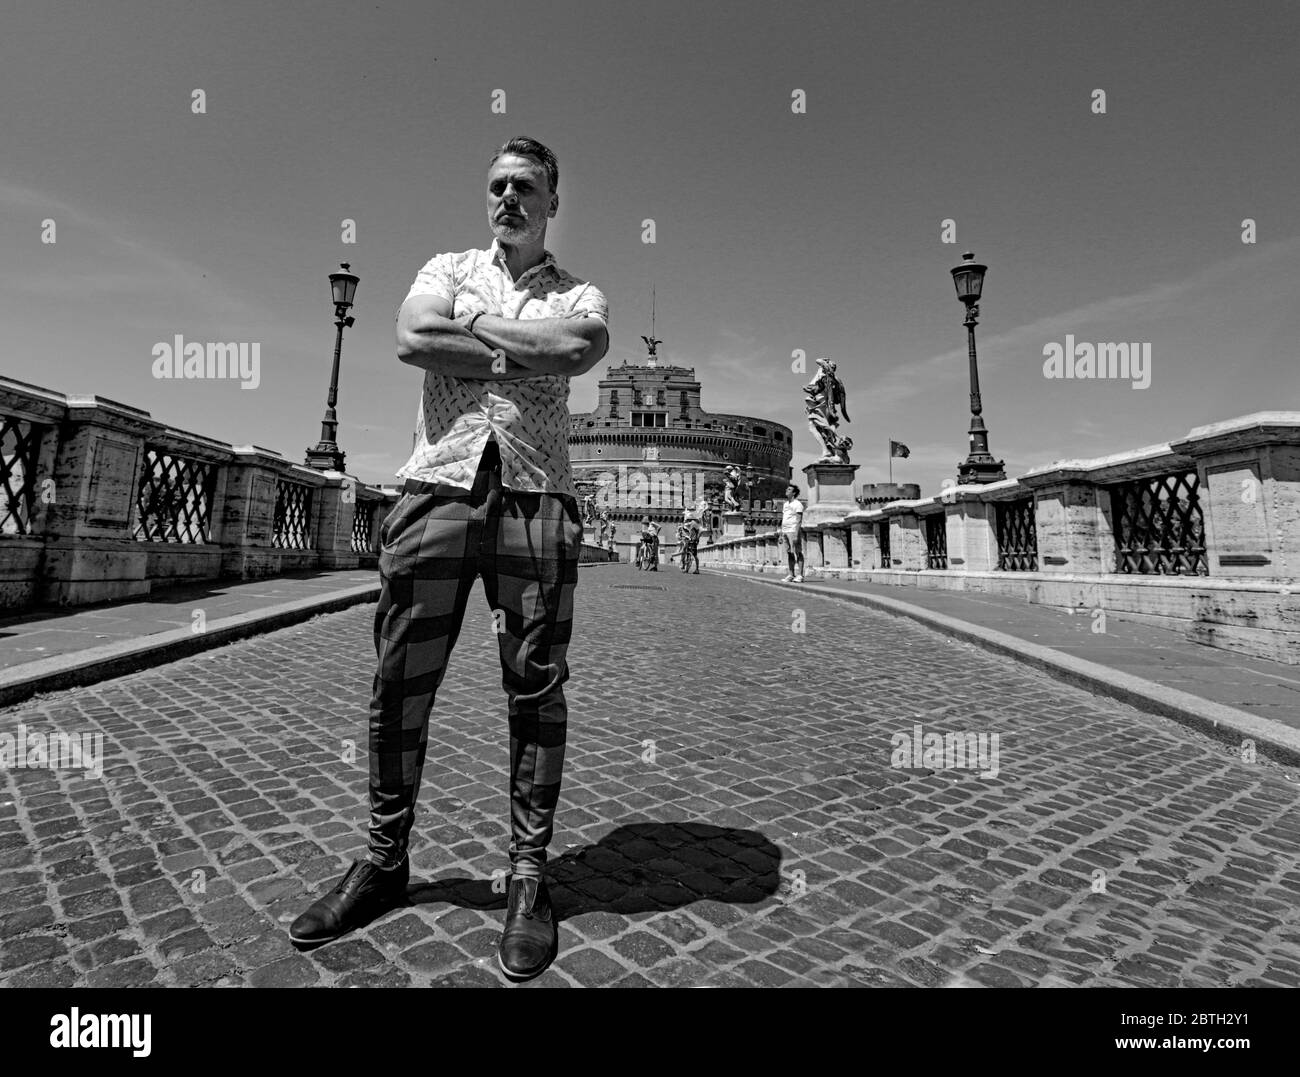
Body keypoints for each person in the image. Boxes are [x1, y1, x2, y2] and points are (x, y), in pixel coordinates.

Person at [289, 136, 609, 983]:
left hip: (537, 495)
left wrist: (472, 332)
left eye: (526, 187)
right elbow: (411, 337)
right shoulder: (444, 266)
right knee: (399, 678)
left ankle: (530, 876)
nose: (508, 198)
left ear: (552, 202)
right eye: (498, 185)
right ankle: (384, 858)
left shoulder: (581, 291)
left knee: (536, 687)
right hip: (435, 485)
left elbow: (577, 351)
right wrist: (516, 347)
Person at [779, 483, 805, 582]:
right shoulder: (785, 504)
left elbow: (799, 520)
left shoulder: (798, 504)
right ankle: (791, 574)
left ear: (793, 493)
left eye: (789, 489)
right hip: (785, 531)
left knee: (798, 552)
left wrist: (796, 534)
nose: (786, 490)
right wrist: (781, 534)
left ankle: (800, 575)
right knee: (789, 553)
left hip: (793, 531)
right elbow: (784, 519)